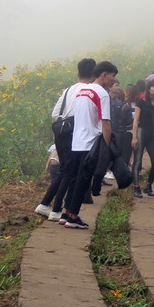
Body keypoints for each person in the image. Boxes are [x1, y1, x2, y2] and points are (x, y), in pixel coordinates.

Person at [37, 58, 95, 222]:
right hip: (75, 133)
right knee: (70, 173)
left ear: (78, 73)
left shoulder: (68, 90)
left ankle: (46, 204)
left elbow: (56, 113)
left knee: (65, 171)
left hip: (61, 132)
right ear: (94, 74)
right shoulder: (90, 91)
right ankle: (54, 209)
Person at [63, 61, 118, 229]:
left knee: (74, 179)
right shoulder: (101, 93)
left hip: (77, 141)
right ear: (104, 75)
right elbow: (106, 123)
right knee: (83, 180)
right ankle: (73, 216)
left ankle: (66, 213)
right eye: (112, 77)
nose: (113, 81)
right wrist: (106, 147)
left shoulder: (82, 91)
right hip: (91, 143)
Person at [131, 79, 154, 198]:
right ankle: (136, 187)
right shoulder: (141, 102)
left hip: (151, 134)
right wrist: (134, 137)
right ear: (148, 89)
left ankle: (148, 185)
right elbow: (136, 119)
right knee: (137, 161)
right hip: (140, 132)